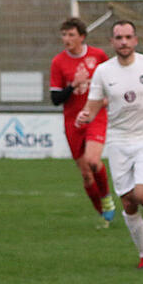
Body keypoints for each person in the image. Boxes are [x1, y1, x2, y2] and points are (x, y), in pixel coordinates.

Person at [77, 20, 143, 269]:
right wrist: (85, 114)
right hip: (118, 141)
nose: (123, 42)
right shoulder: (103, 71)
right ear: (112, 42)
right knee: (129, 202)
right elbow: (94, 103)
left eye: (128, 37)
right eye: (118, 37)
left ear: (135, 40)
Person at [49, 17, 116, 227]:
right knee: (86, 175)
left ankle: (106, 198)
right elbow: (55, 99)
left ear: (82, 37)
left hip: (95, 115)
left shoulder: (98, 56)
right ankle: (103, 213)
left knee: (93, 162)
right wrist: (73, 85)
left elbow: (112, 83)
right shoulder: (58, 62)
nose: (66, 39)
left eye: (71, 34)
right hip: (72, 122)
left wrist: (108, 98)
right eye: (64, 35)